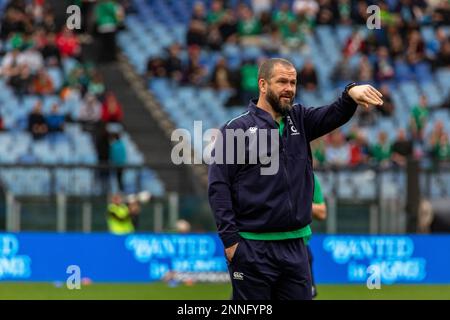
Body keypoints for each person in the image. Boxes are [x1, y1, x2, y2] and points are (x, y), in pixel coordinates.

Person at [208, 58, 383, 300]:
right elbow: (219, 188)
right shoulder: (236, 129)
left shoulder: (300, 119)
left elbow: (335, 114)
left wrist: (351, 90)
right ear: (262, 85)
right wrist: (231, 242)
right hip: (252, 247)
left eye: (293, 82)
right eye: (282, 81)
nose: (289, 88)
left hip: (296, 247)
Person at [307, 173, 327, 299]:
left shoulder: (308, 176)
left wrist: (297, 201)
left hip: (298, 247)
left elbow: (322, 213)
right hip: (258, 245)